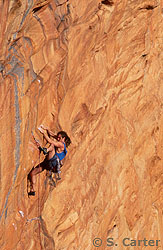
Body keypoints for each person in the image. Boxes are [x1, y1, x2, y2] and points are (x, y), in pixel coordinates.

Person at [28, 125, 71, 196]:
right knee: (32, 173)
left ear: (64, 138)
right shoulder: (60, 140)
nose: (58, 138)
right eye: (58, 137)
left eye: (59, 137)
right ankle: (33, 189)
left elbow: (50, 141)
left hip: (52, 161)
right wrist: (47, 129)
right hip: (48, 164)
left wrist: (43, 133)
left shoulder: (61, 144)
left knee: (53, 144)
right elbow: (52, 135)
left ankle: (46, 150)